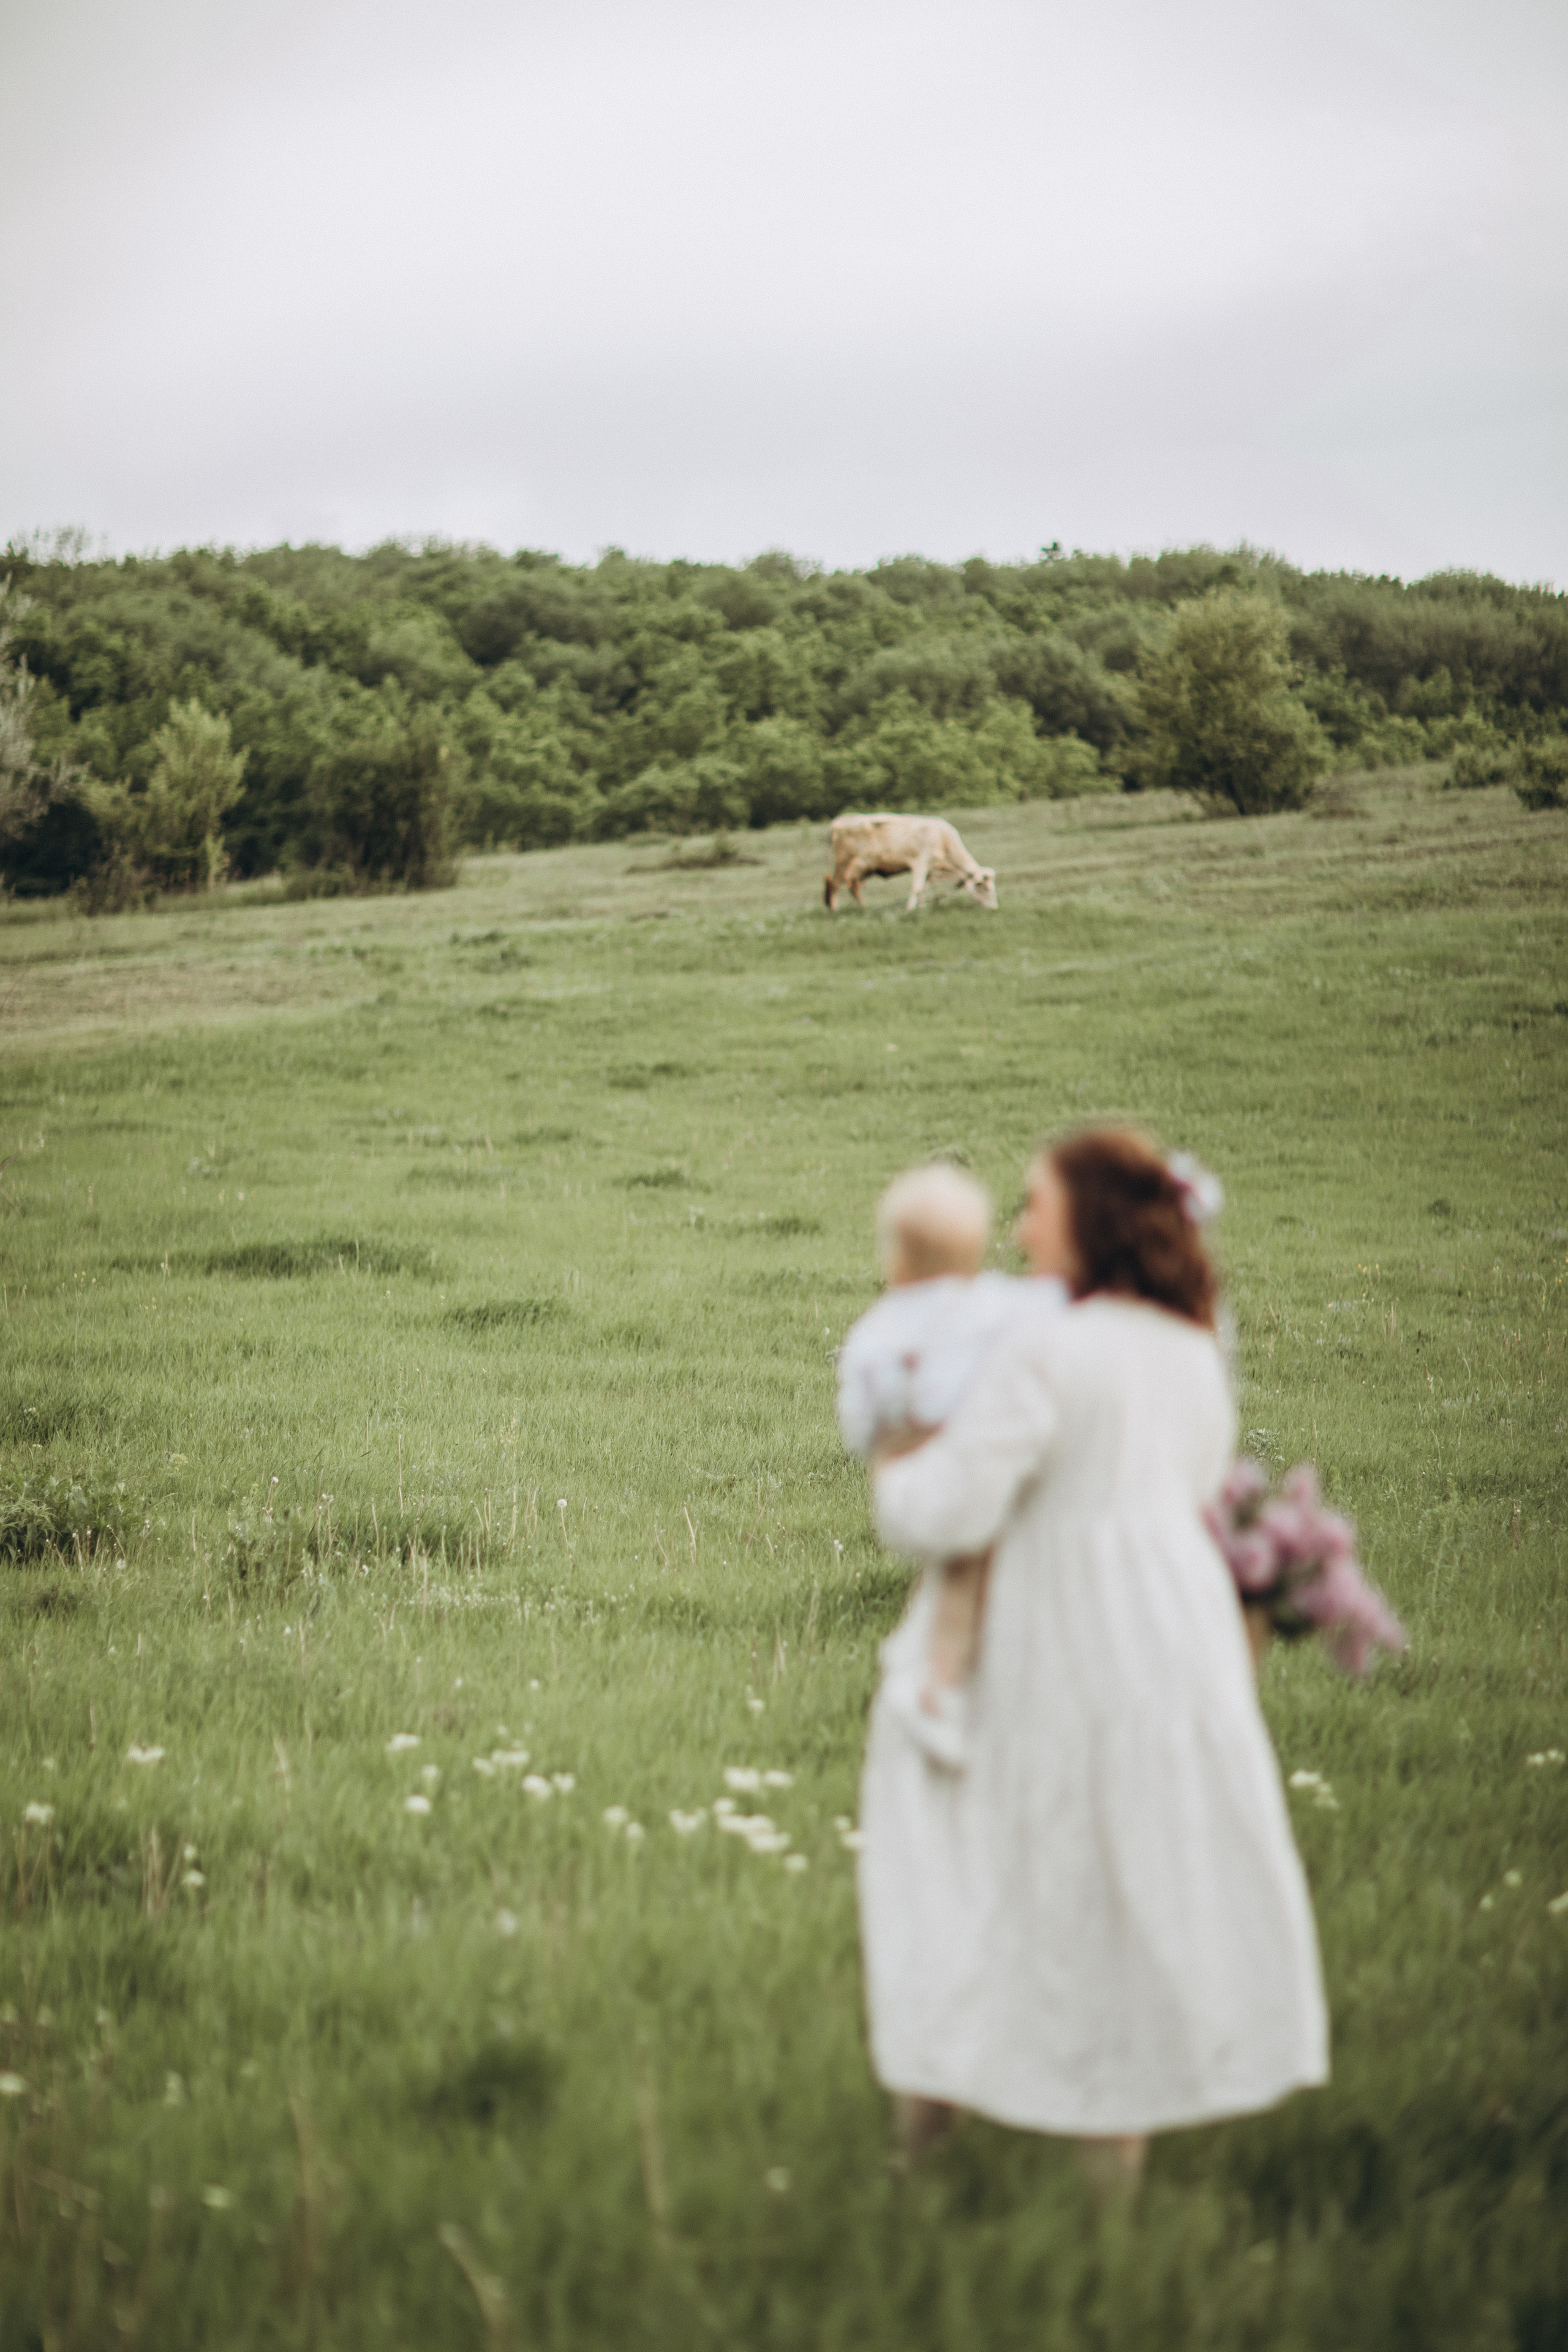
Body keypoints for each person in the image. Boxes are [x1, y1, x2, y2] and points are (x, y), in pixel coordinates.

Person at [858, 1128, 1329, 2189]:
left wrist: (894, 1465)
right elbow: (1199, 1481)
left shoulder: (1046, 1350)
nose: (1019, 1227)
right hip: (1172, 1637)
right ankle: (1106, 2189)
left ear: (1091, 1218)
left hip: (1051, 1634)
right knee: (1125, 1888)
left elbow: (949, 1509)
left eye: (1034, 1203)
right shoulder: (1192, 1345)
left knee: (958, 1869)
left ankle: (921, 2150)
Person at [836, 1164, 1063, 1768]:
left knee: (954, 1580)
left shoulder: (877, 1329)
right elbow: (1049, 1308)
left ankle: (936, 1683)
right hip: (973, 1451)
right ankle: (952, 1683)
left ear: (895, 1260)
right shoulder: (992, 1304)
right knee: (978, 1571)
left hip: (912, 1455)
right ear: (974, 1250)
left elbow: (859, 1409)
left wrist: (879, 1446)